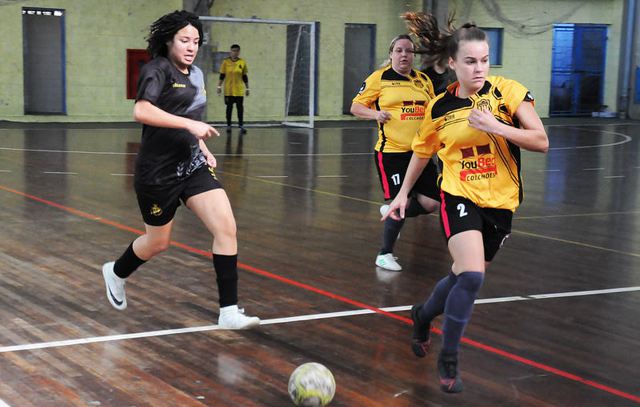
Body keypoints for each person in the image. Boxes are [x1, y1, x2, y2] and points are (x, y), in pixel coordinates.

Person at [384, 16, 548, 393]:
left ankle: (423, 316)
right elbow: (422, 153)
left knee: (462, 276)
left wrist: (497, 127)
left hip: (501, 204)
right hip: (458, 196)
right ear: (453, 64)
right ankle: (450, 357)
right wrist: (403, 194)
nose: (479, 68)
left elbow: (541, 140)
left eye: (485, 60)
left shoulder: (507, 92)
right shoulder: (439, 108)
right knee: (473, 276)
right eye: (471, 61)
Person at [102, 10, 259, 330]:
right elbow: (142, 110)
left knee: (226, 228)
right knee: (157, 242)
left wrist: (201, 145)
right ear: (169, 41)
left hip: (192, 166)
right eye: (184, 40)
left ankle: (228, 312)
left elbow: (190, 118)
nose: (191, 46)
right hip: (157, 173)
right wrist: (190, 124)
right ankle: (116, 272)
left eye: (196, 41)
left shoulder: (198, 75)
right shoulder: (156, 70)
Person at [350, 35, 440, 272]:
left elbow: (432, 111)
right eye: (399, 50)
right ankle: (384, 253)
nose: (404, 55)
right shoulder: (379, 78)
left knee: (431, 203)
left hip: (420, 153)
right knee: (403, 202)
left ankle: (391, 212)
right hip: (392, 153)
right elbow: (355, 107)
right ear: (391, 54)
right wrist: (375, 115)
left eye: (409, 51)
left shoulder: (423, 80)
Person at [217, 44, 249, 134]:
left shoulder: (242, 62)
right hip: (228, 91)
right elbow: (222, 75)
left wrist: (247, 88)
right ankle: (229, 125)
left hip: (239, 91)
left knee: (240, 108)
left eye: (236, 51)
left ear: (239, 52)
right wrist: (219, 86)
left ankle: (241, 125)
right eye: (233, 51)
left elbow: (244, 76)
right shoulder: (225, 62)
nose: (234, 53)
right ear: (230, 52)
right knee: (229, 108)